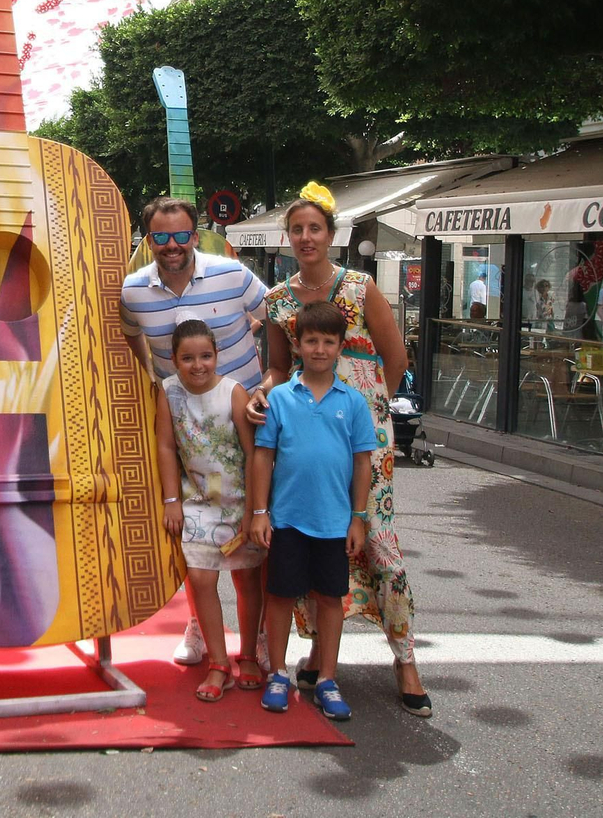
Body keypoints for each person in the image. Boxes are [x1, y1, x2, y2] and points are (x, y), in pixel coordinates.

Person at [248, 181, 432, 718]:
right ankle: (314, 654)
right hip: (301, 432)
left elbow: (395, 357)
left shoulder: (360, 286)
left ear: (332, 234)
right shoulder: (278, 300)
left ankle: (405, 657)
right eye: (298, 229)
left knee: (375, 540)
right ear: (288, 237)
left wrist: (370, 410)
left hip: (360, 437)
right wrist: (266, 389)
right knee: (306, 539)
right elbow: (278, 366)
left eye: (315, 229)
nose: (306, 237)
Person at [120, 195, 268, 668]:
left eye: (182, 234)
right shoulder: (134, 291)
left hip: (248, 424)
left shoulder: (231, 273)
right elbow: (129, 332)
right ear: (149, 240)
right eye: (160, 237)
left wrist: (270, 378)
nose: (172, 245)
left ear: (196, 234)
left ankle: (257, 637)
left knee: (251, 542)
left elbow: (277, 311)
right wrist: (151, 375)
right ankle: (199, 626)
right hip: (190, 435)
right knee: (198, 541)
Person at [248, 300, 374, 720]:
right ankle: (279, 672)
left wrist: (358, 518)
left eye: (328, 341)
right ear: (297, 345)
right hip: (286, 519)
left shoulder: (354, 403)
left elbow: (362, 462)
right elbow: (263, 457)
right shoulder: (280, 398)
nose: (319, 349)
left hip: (334, 522)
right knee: (280, 595)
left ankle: (327, 678)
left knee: (330, 598)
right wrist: (260, 512)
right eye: (311, 341)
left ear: (341, 347)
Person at [155, 320, 265, 701]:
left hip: (241, 502)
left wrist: (257, 511)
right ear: (174, 359)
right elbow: (167, 447)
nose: (198, 365)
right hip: (198, 502)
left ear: (217, 356)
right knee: (201, 579)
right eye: (188, 358)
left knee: (247, 580)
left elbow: (254, 453)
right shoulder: (167, 392)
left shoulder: (233, 392)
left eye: (205, 356)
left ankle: (248, 654)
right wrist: (171, 500)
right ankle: (219, 662)